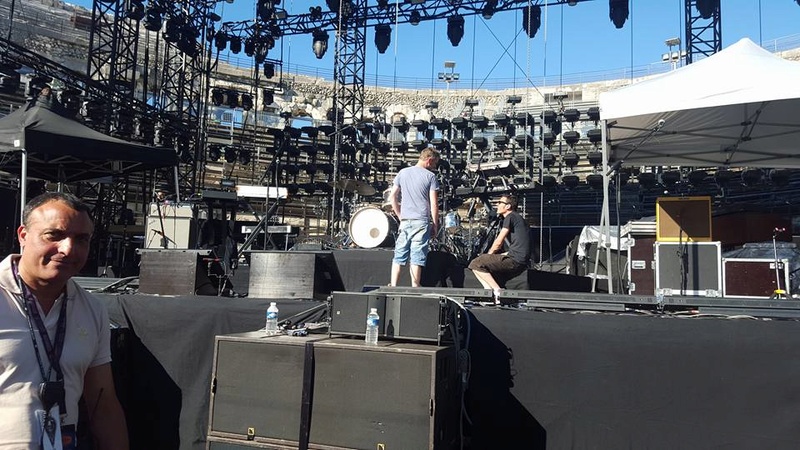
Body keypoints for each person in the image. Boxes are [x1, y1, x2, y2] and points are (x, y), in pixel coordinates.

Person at [0, 192, 129, 449]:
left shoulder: (92, 310)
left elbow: (102, 405)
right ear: (23, 236)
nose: (68, 249)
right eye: (54, 235)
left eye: (81, 239)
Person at [387, 147, 441, 287]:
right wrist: (435, 224)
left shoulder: (402, 173)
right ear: (429, 160)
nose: (435, 167)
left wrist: (399, 215)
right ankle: (415, 287)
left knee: (399, 254)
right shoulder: (431, 177)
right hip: (421, 221)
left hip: (405, 220)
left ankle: (393, 285)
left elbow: (392, 197)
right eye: (435, 163)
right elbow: (434, 204)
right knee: (417, 256)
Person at [468, 195, 530, 303]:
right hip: (520, 259)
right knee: (478, 263)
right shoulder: (518, 218)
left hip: (515, 260)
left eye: (500, 202)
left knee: (476, 263)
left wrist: (488, 255)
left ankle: (498, 292)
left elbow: (498, 242)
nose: (497, 204)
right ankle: (488, 293)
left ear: (508, 206)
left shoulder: (510, 217)